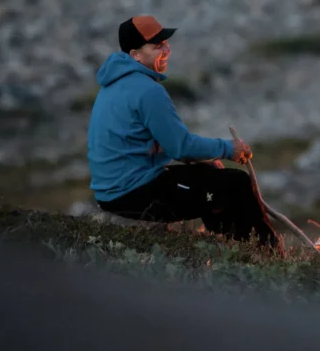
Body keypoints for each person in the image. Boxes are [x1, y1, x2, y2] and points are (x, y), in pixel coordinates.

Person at [86, 15, 280, 250]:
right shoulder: (147, 91)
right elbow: (181, 147)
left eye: (166, 42)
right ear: (135, 54)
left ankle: (235, 246)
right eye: (157, 46)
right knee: (234, 185)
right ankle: (268, 254)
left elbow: (164, 145)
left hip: (116, 192)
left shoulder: (113, 85)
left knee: (212, 182)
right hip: (135, 195)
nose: (167, 49)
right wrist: (228, 149)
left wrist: (206, 162)